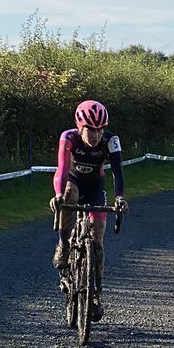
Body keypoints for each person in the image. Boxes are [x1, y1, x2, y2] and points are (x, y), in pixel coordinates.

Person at [51, 100, 128, 322]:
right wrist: (58, 195)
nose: (95, 135)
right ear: (79, 125)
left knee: (98, 241)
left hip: (96, 188)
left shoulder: (111, 140)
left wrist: (120, 197)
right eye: (90, 129)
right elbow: (63, 169)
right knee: (68, 196)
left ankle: (95, 295)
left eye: (99, 129)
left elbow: (117, 171)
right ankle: (64, 245)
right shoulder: (69, 138)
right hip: (71, 181)